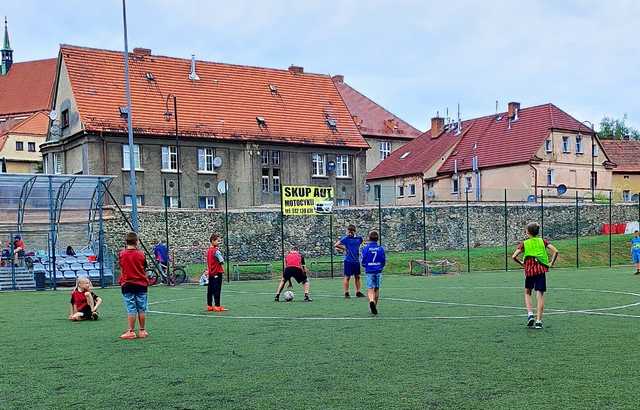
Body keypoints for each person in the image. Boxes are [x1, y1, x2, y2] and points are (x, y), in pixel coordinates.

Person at [511, 222, 559, 329]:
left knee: (527, 292)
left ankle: (530, 314)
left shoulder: (525, 243)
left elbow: (514, 256)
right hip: (541, 271)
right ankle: (539, 321)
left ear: (527, 232)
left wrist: (522, 263)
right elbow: (556, 251)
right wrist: (551, 263)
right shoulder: (543, 241)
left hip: (530, 271)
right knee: (540, 295)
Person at [118, 232, 149, 339]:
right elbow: (144, 267)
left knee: (131, 308)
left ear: (126, 241)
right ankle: (142, 330)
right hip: (141, 284)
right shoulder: (141, 254)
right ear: (136, 241)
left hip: (127, 284)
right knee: (142, 308)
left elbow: (122, 267)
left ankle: (131, 331)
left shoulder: (122, 254)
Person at [334, 224, 365, 298]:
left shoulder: (359, 239)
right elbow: (336, 245)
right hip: (348, 261)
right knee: (347, 277)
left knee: (357, 276)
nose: (350, 233)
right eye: (349, 232)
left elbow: (362, 244)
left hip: (356, 261)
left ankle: (358, 292)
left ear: (354, 231)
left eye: (351, 232)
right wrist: (344, 249)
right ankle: (346, 293)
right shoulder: (346, 239)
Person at [361, 231, 385, 315]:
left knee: (370, 288)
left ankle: (371, 301)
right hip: (378, 270)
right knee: (377, 288)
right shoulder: (380, 248)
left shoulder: (366, 249)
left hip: (369, 271)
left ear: (369, 238)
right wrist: (380, 267)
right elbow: (383, 260)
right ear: (377, 239)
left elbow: (363, 261)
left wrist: (366, 265)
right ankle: (375, 305)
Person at [206, 234, 227, 312]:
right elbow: (221, 261)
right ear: (212, 241)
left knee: (210, 289)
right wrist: (222, 267)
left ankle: (209, 305)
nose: (219, 242)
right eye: (217, 241)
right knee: (217, 289)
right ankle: (217, 306)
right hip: (217, 272)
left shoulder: (208, 251)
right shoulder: (216, 251)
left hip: (211, 273)